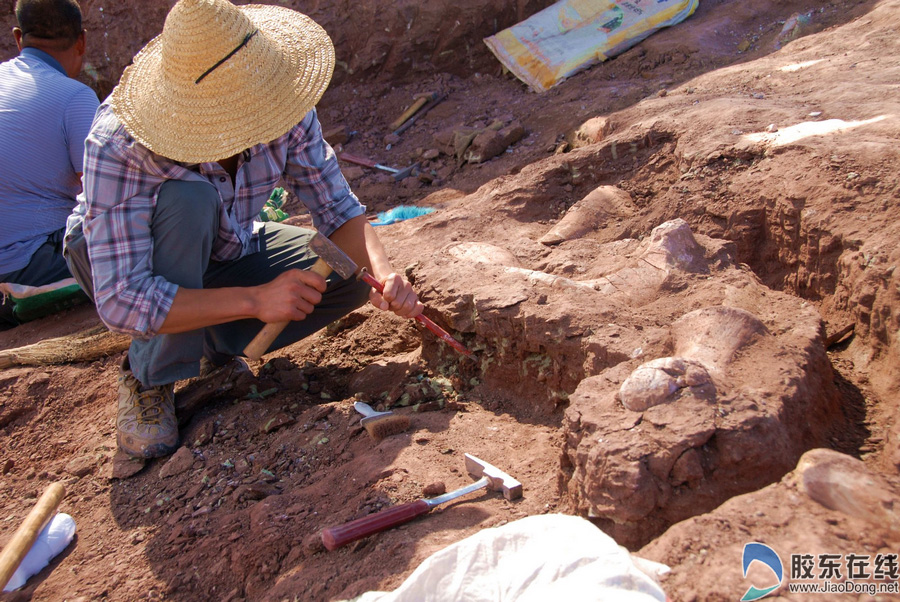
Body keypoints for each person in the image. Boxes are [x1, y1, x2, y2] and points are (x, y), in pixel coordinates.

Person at [63, 0, 424, 460]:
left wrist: (385, 276)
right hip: (121, 259)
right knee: (189, 199)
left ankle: (201, 336)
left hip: (225, 243)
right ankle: (149, 374)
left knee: (346, 271)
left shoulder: (279, 97)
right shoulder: (122, 141)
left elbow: (337, 208)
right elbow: (121, 297)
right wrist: (256, 300)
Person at [0, 0, 99, 330]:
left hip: (15, 255)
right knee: (155, 252)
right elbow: (104, 197)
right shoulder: (75, 97)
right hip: (25, 265)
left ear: (18, 38)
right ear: (81, 41)